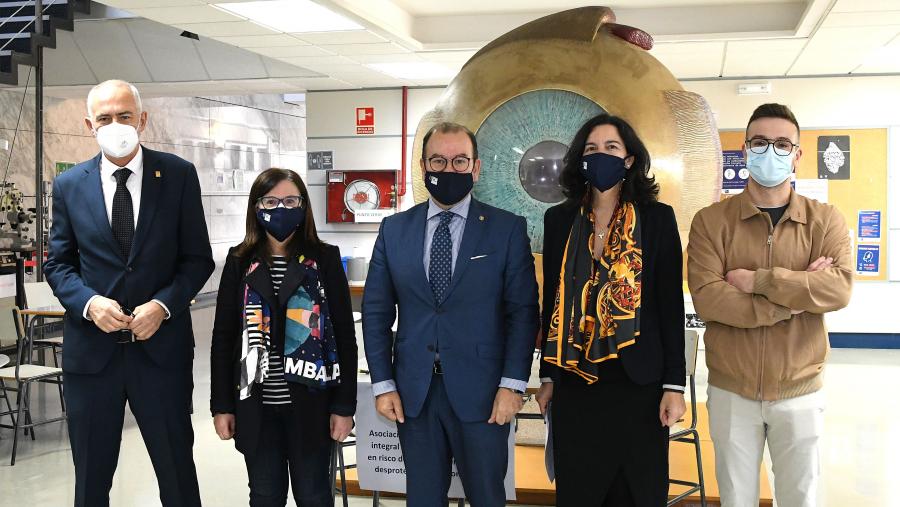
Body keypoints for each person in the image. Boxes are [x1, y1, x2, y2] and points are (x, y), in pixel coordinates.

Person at [44, 80, 214, 507]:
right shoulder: (69, 186)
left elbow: (197, 259)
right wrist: (88, 302)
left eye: (124, 115)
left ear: (142, 119)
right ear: (89, 125)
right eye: (104, 118)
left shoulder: (177, 175)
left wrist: (162, 306)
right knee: (91, 480)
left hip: (161, 353)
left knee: (177, 473)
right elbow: (58, 264)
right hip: (92, 358)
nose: (115, 125)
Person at [363, 122, 539, 506]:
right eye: (438, 160)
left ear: (476, 168)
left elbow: (523, 314)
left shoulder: (506, 230)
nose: (449, 170)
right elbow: (375, 312)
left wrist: (512, 385)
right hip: (414, 395)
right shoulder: (394, 230)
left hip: (485, 394)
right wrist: (383, 384)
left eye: (460, 161)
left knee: (487, 497)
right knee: (423, 499)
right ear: (424, 166)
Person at [687, 103, 853, 507]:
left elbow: (838, 289)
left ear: (797, 154)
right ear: (744, 150)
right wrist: (792, 302)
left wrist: (758, 281)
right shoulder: (712, 221)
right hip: (731, 390)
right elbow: (709, 298)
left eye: (782, 144)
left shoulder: (825, 220)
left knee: (800, 498)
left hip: (800, 389)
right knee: (736, 498)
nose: (770, 152)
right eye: (760, 143)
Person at [534, 114, 687, 507]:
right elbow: (553, 298)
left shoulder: (656, 218)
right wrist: (548, 375)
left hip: (639, 383)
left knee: (637, 493)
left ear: (630, 159)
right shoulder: (560, 220)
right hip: (575, 384)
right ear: (579, 160)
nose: (600, 156)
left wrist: (674, 385)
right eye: (591, 149)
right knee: (580, 492)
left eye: (611, 148)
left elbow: (670, 305)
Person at [210, 168, 357, 506]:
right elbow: (224, 337)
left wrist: (344, 405)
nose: (281, 209)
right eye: (271, 201)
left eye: (290, 200)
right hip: (256, 407)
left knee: (315, 496)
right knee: (264, 496)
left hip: (313, 406)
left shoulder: (324, 258)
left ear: (303, 206)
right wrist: (222, 405)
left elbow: (345, 337)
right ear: (256, 206)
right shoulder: (239, 261)